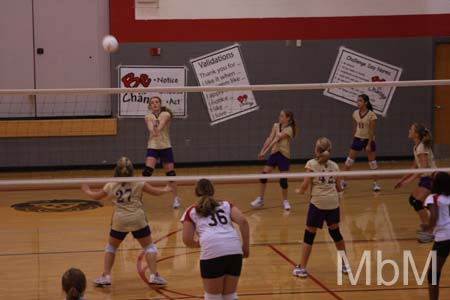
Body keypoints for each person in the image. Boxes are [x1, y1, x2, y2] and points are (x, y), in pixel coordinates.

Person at [81, 157, 172, 286]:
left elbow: (96, 196)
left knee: (111, 247)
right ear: (132, 170)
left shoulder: (111, 185)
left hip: (120, 221)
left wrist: (87, 191)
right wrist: (166, 190)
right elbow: (155, 192)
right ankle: (154, 275)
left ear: (116, 170)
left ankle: (106, 276)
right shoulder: (139, 182)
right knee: (149, 247)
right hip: (138, 219)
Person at [181, 179, 250, 300]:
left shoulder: (191, 210)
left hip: (213, 251)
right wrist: (245, 247)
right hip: (234, 250)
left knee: (213, 297)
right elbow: (243, 222)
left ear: (196, 192)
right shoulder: (226, 205)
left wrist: (198, 244)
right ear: (213, 190)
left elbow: (187, 239)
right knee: (230, 295)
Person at [292, 137, 349, 277]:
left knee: (309, 234)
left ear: (317, 150)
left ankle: (303, 268)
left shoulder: (311, 164)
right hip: (333, 203)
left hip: (318, 203)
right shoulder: (335, 166)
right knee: (335, 233)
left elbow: (305, 184)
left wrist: (299, 191)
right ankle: (345, 266)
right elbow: (339, 188)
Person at [394, 123, 436, 243]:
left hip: (431, 179)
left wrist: (408, 181)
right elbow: (414, 166)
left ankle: (429, 231)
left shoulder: (422, 147)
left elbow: (423, 167)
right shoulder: (417, 146)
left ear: (416, 134)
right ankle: (426, 226)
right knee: (413, 200)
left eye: (411, 129)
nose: (409, 130)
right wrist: (402, 179)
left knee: (417, 203)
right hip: (425, 179)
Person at [250, 110, 297, 210]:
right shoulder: (276, 125)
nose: (279, 117)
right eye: (279, 115)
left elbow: (276, 140)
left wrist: (264, 152)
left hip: (284, 155)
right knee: (263, 175)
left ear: (287, 118)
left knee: (283, 181)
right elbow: (270, 138)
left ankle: (285, 201)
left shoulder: (289, 129)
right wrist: (262, 150)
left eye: (281, 116)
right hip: (274, 154)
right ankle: (261, 199)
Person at [143, 96, 181, 209]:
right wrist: (152, 131)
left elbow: (162, 123)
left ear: (160, 104)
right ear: (150, 106)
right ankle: (139, 197)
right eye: (152, 103)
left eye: (156, 102)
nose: (154, 104)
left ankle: (175, 198)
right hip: (153, 146)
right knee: (147, 172)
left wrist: (157, 130)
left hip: (165, 146)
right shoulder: (148, 116)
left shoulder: (166, 114)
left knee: (170, 174)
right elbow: (150, 126)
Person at [341, 94, 380, 192]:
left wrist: (369, 144)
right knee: (349, 161)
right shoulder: (355, 113)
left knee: (372, 163)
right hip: (358, 139)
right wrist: (353, 138)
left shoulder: (372, 115)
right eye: (357, 101)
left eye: (360, 101)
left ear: (366, 102)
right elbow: (355, 127)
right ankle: (343, 181)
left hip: (368, 140)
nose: (358, 103)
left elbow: (372, 131)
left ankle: (376, 183)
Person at [423, 172, 450, 300]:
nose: (430, 182)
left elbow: (434, 217)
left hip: (443, 239)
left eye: (432, 180)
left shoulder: (432, 198)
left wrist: (428, 227)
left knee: (433, 274)